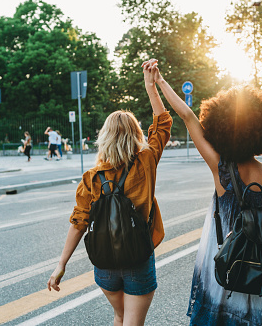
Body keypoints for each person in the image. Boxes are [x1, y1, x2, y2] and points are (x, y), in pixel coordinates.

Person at [143, 59, 262, 325]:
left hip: (227, 275)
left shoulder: (222, 170)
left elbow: (187, 116)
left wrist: (157, 82)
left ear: (222, 131)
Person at [47, 64, 172, 325]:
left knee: (119, 316)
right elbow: (163, 125)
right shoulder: (146, 161)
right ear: (137, 135)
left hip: (104, 264)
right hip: (137, 258)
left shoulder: (91, 178)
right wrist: (151, 85)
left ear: (104, 138)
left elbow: (78, 223)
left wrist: (61, 265)